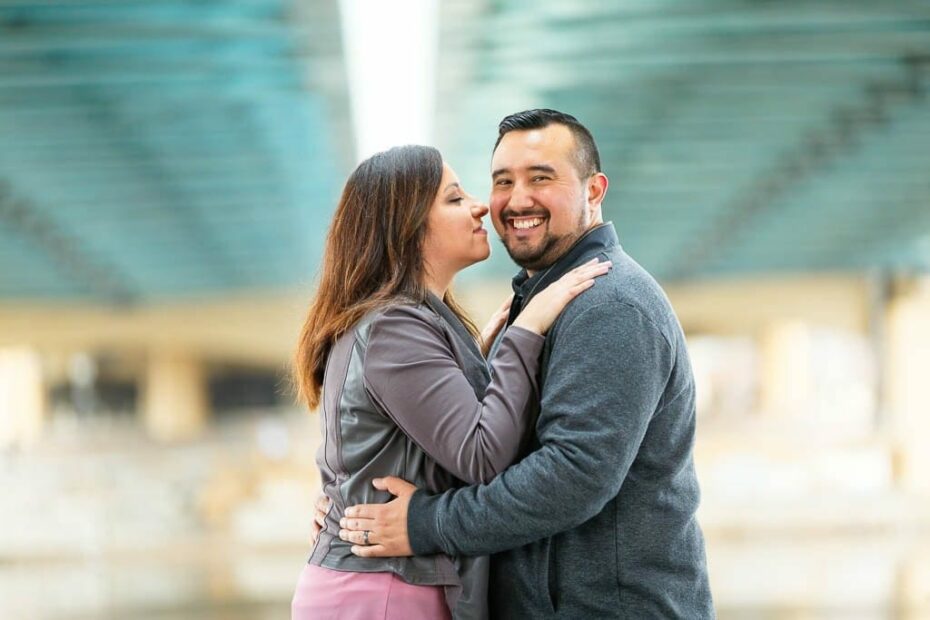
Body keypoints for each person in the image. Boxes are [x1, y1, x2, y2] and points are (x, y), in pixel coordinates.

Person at [336, 110, 716, 618]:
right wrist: (349, 501)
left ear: (594, 190)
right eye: (502, 182)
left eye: (541, 178)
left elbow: (574, 475)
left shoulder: (610, 306)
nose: (517, 200)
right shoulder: (544, 301)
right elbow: (475, 441)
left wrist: (425, 523)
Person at [290, 144, 610, 619]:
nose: (481, 205)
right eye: (455, 199)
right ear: (408, 226)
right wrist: (525, 333)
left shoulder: (407, 322)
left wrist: (479, 358)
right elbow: (482, 456)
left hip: (386, 586)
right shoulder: (395, 327)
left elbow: (396, 433)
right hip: (383, 595)